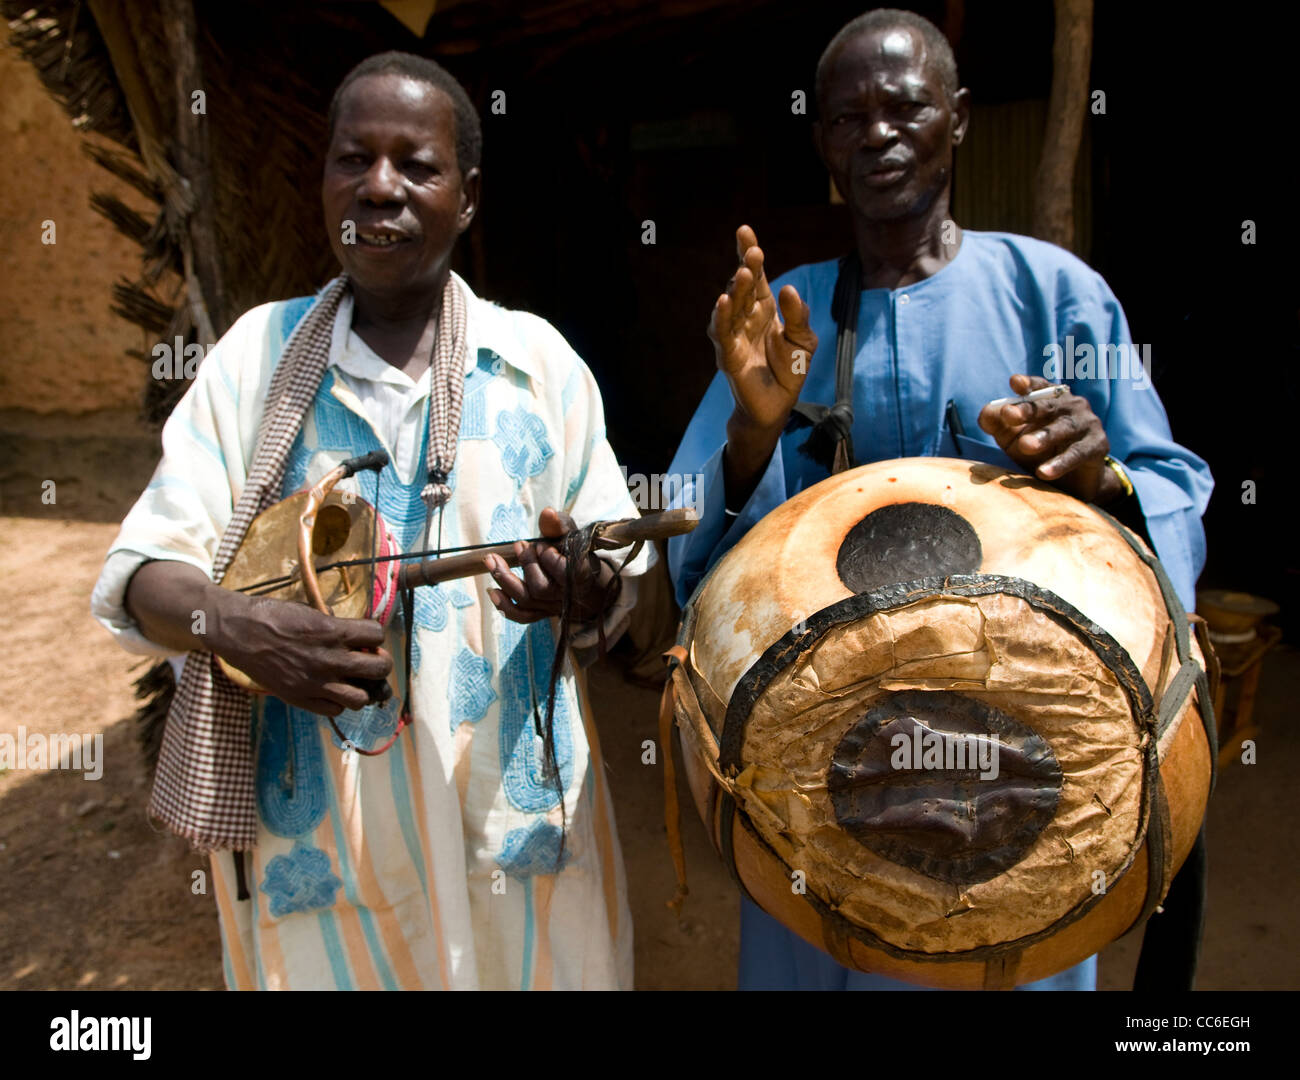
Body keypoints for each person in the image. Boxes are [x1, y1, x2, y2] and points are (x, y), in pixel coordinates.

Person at [666, 9, 1212, 991]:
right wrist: (755, 431)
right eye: (845, 117)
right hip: (821, 774)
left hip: (1022, 756)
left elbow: (1172, 490)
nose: (875, 133)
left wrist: (1100, 479)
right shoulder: (782, 314)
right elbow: (695, 568)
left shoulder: (1059, 296)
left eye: (905, 107)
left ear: (956, 117)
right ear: (822, 142)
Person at [91, 51, 652, 990]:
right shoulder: (252, 364)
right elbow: (146, 572)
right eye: (353, 159)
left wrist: (582, 588)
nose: (379, 188)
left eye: (416, 166)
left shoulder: (539, 368)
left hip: (510, 853)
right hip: (323, 854)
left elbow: (624, 578)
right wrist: (238, 628)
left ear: (468, 197)